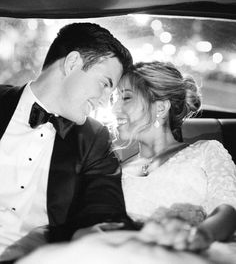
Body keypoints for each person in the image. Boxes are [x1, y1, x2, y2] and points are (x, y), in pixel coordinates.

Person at [0, 22, 135, 262]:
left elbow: (105, 210)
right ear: (73, 63)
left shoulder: (95, 138)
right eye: (105, 84)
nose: (106, 101)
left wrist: (89, 234)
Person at [112, 60, 236, 252]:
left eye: (126, 98)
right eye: (114, 99)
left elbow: (228, 210)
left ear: (160, 108)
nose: (115, 109)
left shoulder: (206, 151)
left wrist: (199, 236)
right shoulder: (115, 169)